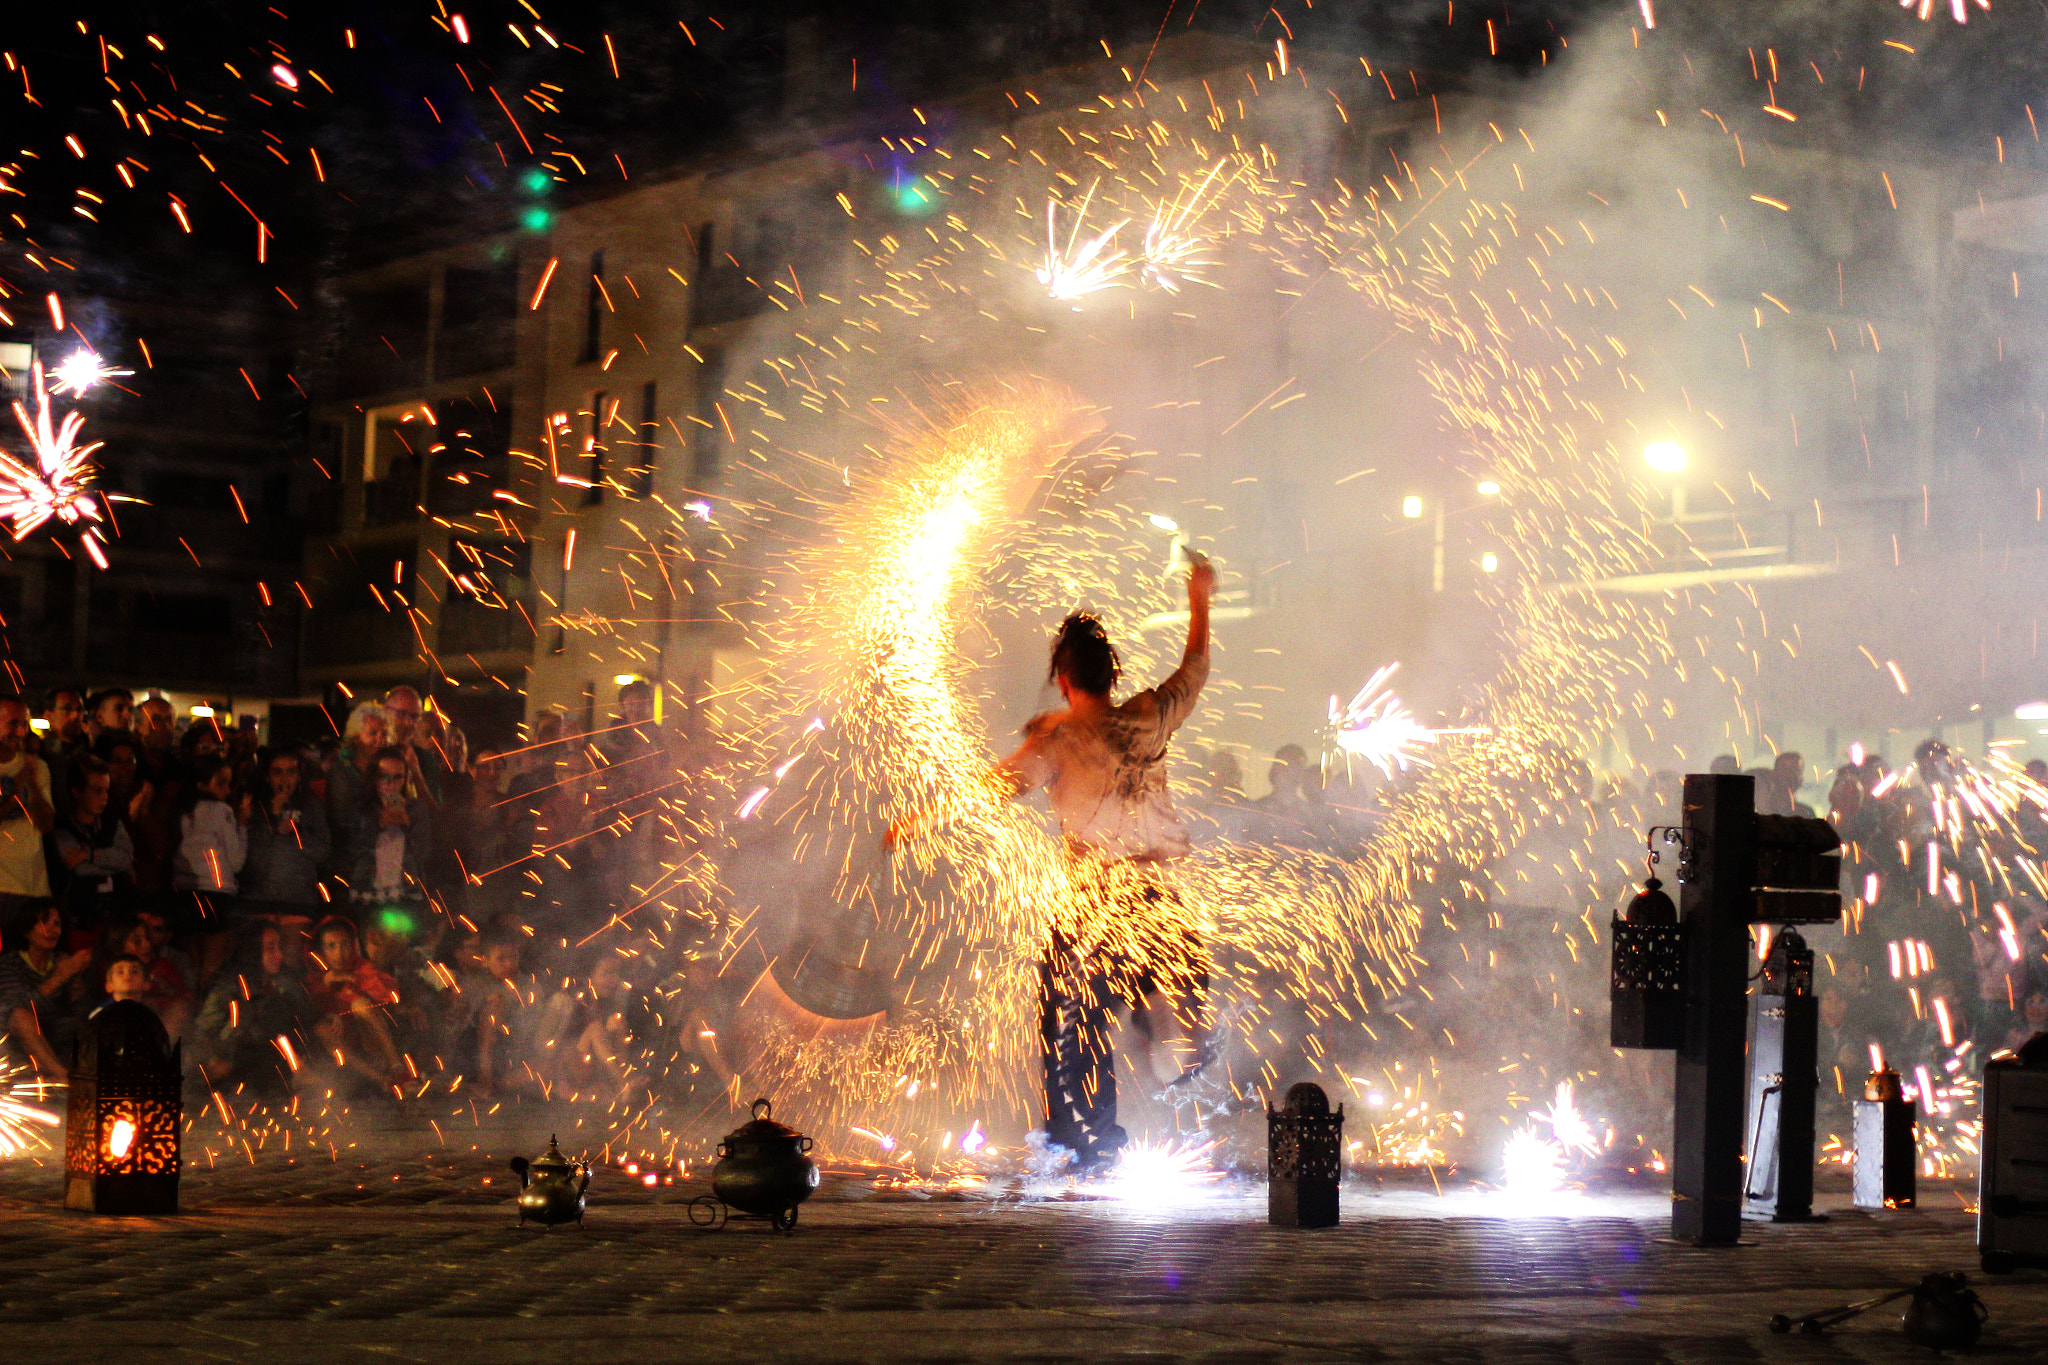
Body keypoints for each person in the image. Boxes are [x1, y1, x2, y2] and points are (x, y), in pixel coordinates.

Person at [897, 551, 1216, 1172]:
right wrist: (1199, 598)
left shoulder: (1058, 739)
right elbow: (1195, 669)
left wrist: (914, 825)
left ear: (1065, 678)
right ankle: (1179, 1035)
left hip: (1096, 902)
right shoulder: (1148, 718)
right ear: (1109, 677)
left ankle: (1085, 1146)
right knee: (1165, 997)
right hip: (1159, 899)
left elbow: (987, 791)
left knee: (1072, 1026)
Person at [192, 922, 312, 1095]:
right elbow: (201, 1033)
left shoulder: (283, 984)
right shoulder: (227, 989)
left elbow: (302, 1019)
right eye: (271, 949)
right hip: (232, 1072)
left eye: (280, 947)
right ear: (253, 952)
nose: (279, 955)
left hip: (268, 1067)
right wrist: (213, 1061)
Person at [305, 914, 409, 1088]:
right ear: (321, 951)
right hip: (345, 1053)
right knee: (322, 1029)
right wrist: (331, 1014)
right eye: (331, 946)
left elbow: (385, 998)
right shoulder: (315, 980)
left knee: (360, 1005)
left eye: (344, 945)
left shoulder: (363, 969)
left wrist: (351, 983)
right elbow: (314, 1009)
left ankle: (398, 1070)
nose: (339, 953)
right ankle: (384, 1082)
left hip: (371, 1043)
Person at [238, 748, 332, 931]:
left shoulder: (311, 806)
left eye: (291, 772)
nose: (284, 779)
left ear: (299, 776)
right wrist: (271, 819)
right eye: (277, 772)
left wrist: (296, 833)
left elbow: (323, 851)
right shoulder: (254, 807)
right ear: (267, 777)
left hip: (298, 899)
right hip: (259, 899)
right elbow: (250, 859)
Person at [0, 901, 91, 1079]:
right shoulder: (9, 963)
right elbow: (16, 1007)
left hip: (59, 1031)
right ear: (26, 929)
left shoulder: (63, 961)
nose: (52, 929)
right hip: (19, 1036)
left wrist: (76, 981)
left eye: (57, 924)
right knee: (20, 1015)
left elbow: (82, 1010)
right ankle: (64, 1077)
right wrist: (59, 977)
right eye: (44, 922)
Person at [46, 755, 135, 932]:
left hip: (116, 918)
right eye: (96, 790)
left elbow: (127, 858)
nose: (104, 797)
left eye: (106, 790)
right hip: (79, 922)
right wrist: (117, 865)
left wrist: (89, 855)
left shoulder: (112, 823)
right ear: (77, 791)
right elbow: (79, 869)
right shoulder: (62, 828)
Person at [342, 746, 435, 913]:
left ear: (406, 779)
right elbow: (351, 850)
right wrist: (378, 825)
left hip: (405, 893)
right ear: (374, 779)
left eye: (397, 777)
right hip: (368, 894)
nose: (391, 784)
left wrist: (408, 825)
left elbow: (425, 853)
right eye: (384, 777)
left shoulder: (416, 809)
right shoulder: (362, 809)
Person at [0, 698, 56, 916]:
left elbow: (45, 825)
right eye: (13, 724)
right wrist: (18, 787)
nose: (20, 732)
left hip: (33, 886)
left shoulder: (37, 767)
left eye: (24, 725)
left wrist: (32, 782)